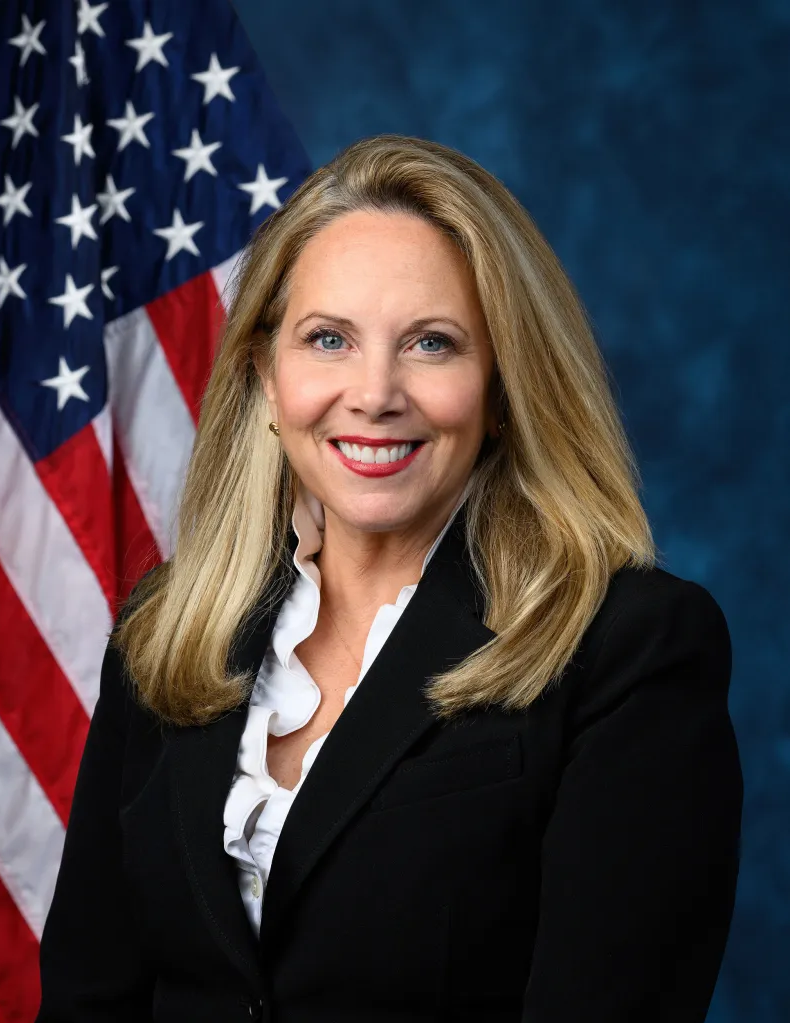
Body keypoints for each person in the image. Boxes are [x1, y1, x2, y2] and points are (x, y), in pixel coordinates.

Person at [36, 134, 742, 1023]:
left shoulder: (629, 649)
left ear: (502, 389)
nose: (374, 393)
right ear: (266, 373)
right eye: (327, 338)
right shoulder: (170, 632)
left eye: (432, 344)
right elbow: (88, 999)